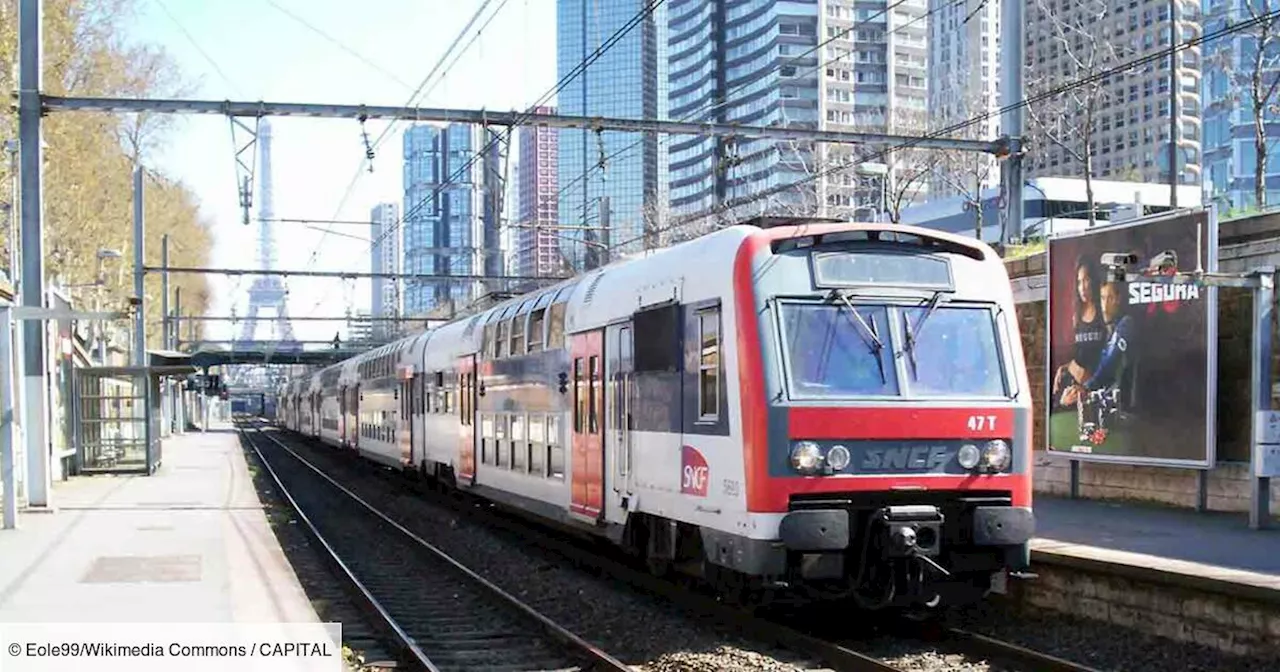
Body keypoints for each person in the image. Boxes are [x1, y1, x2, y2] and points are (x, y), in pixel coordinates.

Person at [1060, 280, 1137, 407]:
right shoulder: (1108, 330)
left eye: (1110, 298)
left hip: (1128, 406)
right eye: (1102, 298)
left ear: (1118, 299)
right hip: (1113, 403)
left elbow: (1109, 365)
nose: (1105, 305)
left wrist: (1085, 388)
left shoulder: (1126, 323)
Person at [1053, 255, 1107, 403]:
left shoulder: (1103, 310)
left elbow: (1107, 354)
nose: (1082, 287)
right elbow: (1080, 354)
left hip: (1097, 385)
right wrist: (1064, 368)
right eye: (1079, 282)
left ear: (1094, 281)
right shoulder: (1077, 314)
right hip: (1076, 383)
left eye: (1086, 280)